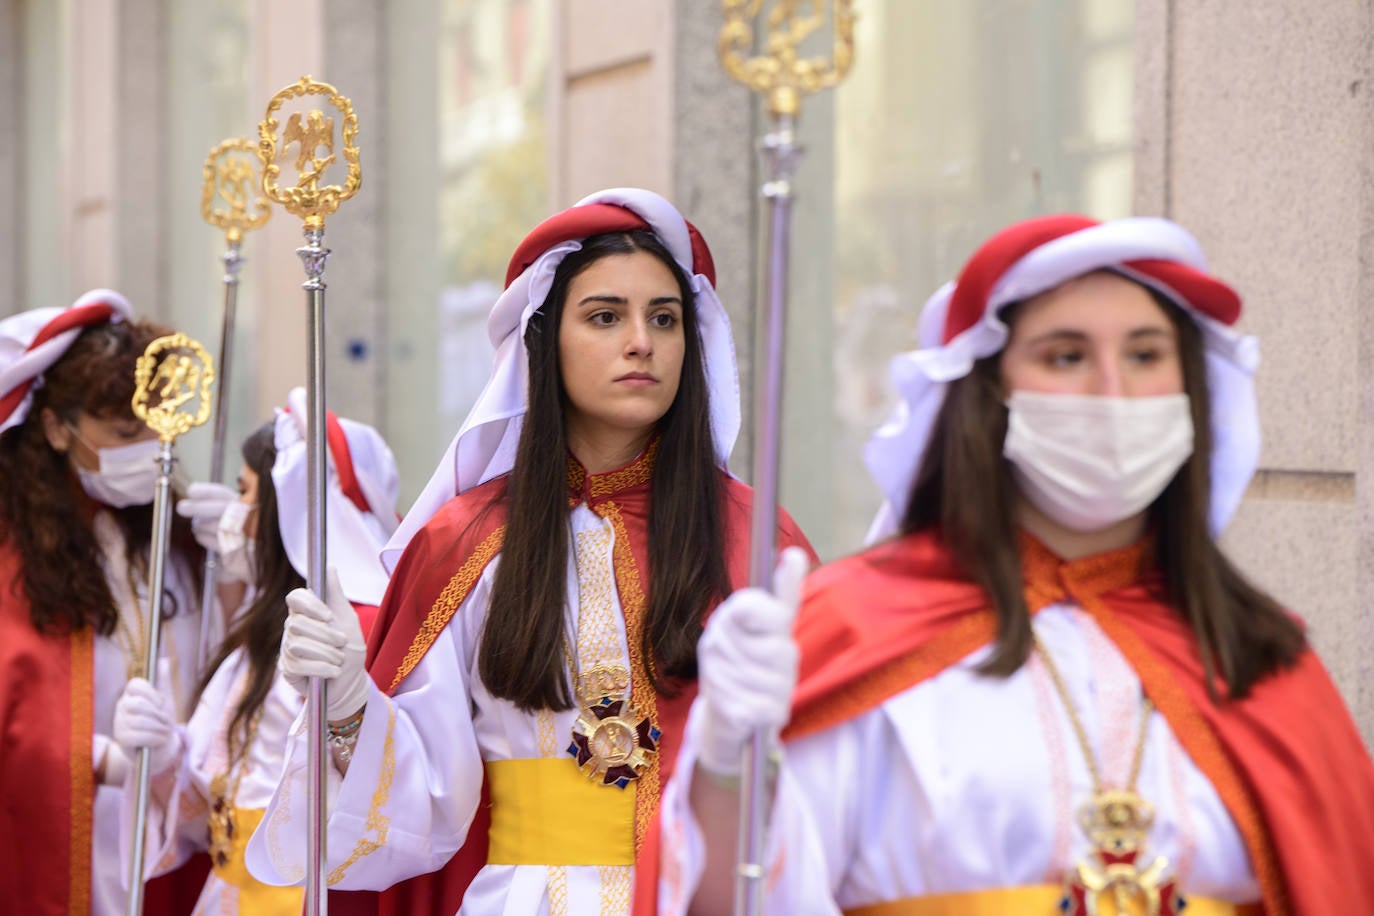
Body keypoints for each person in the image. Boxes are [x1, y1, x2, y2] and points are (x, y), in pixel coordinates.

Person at [661, 215, 1374, 915]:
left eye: (1146, 354)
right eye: (1066, 356)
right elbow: (738, 898)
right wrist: (726, 768)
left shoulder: (1260, 653)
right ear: (990, 392)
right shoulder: (851, 630)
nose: (1112, 390)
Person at [243, 187, 816, 915]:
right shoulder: (464, 542)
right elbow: (420, 810)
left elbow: (823, 768)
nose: (640, 341)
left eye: (664, 319)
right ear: (544, 341)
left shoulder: (754, 538)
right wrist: (350, 704)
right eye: (605, 316)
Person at [111, 387, 400, 914]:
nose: (233, 510)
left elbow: (366, 793)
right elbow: (219, 802)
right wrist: (164, 755)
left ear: (287, 510)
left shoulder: (351, 632)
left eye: (246, 493)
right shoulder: (258, 630)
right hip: (231, 894)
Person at [0, 290, 213, 915]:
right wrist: (99, 760)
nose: (151, 447)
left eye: (159, 425)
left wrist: (240, 569)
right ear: (55, 428)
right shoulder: (14, 556)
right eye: (126, 432)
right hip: (78, 826)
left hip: (183, 819)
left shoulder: (172, 534)